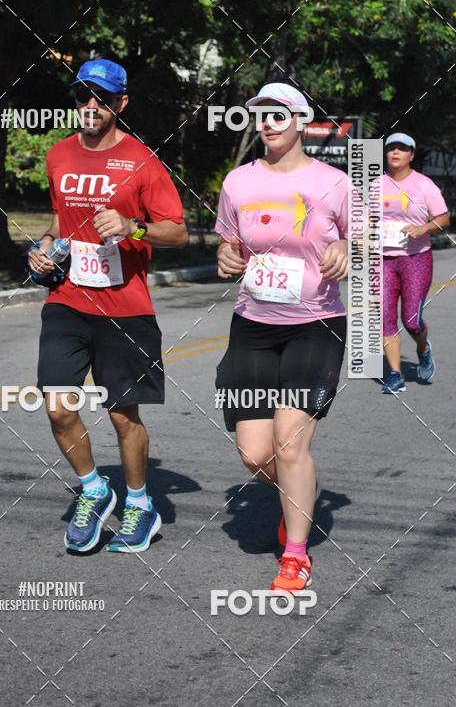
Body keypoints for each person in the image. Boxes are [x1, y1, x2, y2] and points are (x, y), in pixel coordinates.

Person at [28, 58, 188, 553]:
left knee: (123, 416)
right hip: (67, 300)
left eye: (101, 98)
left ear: (120, 104)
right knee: (58, 407)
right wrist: (42, 248)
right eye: (82, 96)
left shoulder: (142, 161)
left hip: (125, 308)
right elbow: (60, 219)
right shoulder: (58, 156)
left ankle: (139, 503)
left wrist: (133, 226)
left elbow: (178, 232)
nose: (90, 106)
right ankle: (95, 489)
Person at [215, 82, 349, 593]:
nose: (266, 124)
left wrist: (345, 249)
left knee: (290, 445)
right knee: (255, 452)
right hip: (252, 326)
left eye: (277, 115)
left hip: (315, 325)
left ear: (300, 121)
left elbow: (360, 238)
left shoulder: (333, 183)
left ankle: (295, 554)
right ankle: (301, 494)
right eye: (260, 116)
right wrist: (228, 258)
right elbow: (230, 246)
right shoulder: (238, 182)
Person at [380, 133, 449, 394]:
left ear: (411, 154)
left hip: (416, 259)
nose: (396, 153)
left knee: (411, 320)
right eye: (391, 148)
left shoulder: (424, 185)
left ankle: (423, 348)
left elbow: (443, 219)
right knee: (386, 317)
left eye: (402, 149)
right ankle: (395, 374)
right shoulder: (376, 185)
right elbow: (364, 218)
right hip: (384, 259)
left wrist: (424, 228)